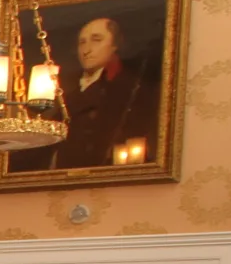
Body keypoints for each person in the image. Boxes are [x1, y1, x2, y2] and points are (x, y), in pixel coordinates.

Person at [46, 14, 154, 171]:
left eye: (97, 40)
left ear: (114, 45)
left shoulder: (130, 88)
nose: (86, 50)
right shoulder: (64, 88)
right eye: (82, 43)